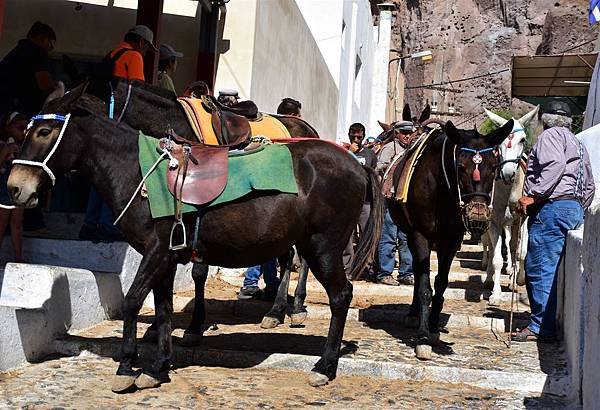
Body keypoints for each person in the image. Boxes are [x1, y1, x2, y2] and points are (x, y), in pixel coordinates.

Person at [513, 100, 595, 342]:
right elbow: (589, 184)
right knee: (553, 268)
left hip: (552, 208)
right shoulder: (577, 143)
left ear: (544, 120)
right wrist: (578, 206)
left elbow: (555, 166)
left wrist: (533, 195)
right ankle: (545, 322)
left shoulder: (549, 137)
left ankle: (540, 327)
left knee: (539, 268)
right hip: (573, 207)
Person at [79, 25, 157, 243]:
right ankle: (107, 225)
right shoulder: (133, 56)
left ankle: (90, 223)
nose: (146, 52)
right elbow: (137, 94)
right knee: (116, 175)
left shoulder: (112, 54)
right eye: (147, 48)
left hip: (99, 124)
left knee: (100, 175)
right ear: (141, 42)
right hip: (117, 127)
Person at [237, 98, 306, 300]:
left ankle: (260, 283)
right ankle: (260, 283)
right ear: (292, 116)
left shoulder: (264, 127)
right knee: (267, 242)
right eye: (298, 115)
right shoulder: (284, 133)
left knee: (264, 242)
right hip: (271, 191)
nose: (300, 119)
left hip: (253, 189)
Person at [374, 121, 416, 286]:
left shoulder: (412, 150)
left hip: (405, 201)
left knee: (405, 238)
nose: (407, 135)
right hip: (390, 199)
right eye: (404, 132)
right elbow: (378, 170)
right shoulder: (390, 148)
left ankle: (406, 273)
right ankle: (385, 273)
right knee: (389, 237)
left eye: (409, 132)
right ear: (396, 133)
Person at [0, 21, 58, 116]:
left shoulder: (17, 51)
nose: (50, 49)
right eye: (50, 44)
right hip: (19, 112)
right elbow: (46, 85)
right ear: (42, 38)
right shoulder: (37, 53)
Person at [342, 123, 377, 277]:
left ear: (363, 136)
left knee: (366, 234)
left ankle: (366, 267)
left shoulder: (370, 154)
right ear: (349, 135)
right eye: (353, 136)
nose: (356, 139)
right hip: (347, 202)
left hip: (365, 201)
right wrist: (350, 153)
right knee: (346, 235)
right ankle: (346, 268)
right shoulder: (342, 152)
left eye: (359, 136)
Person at [0, 112, 28, 262]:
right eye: (19, 126)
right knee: (2, 223)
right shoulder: (3, 144)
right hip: (3, 190)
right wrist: (5, 151)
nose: (23, 131)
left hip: (19, 189)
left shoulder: (25, 146)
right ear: (8, 127)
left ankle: (18, 257)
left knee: (17, 223)